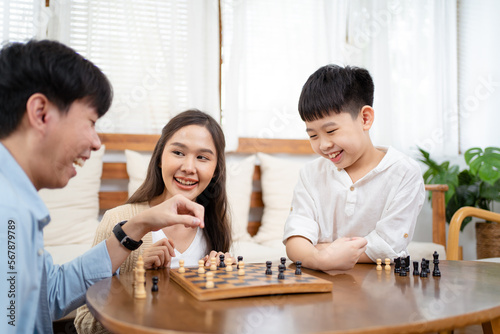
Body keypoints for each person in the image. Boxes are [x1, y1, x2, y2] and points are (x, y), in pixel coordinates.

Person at [0, 40, 205, 334]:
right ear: (41, 112)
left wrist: (137, 226)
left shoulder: (16, 203)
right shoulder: (8, 211)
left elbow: (52, 292)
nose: (96, 143)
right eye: (90, 122)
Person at [74, 109, 232, 333]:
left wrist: (227, 283)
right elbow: (84, 323)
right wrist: (136, 282)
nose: (188, 167)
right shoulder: (118, 220)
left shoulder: (215, 224)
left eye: (202, 157)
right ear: (159, 158)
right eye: (178, 152)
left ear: (216, 170)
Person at [283, 64, 425, 271]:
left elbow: (388, 246)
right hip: (323, 288)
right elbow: (296, 239)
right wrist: (321, 260)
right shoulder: (311, 174)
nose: (323, 145)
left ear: (365, 118)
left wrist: (318, 249)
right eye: (312, 135)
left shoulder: (404, 172)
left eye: (331, 131)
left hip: (384, 289)